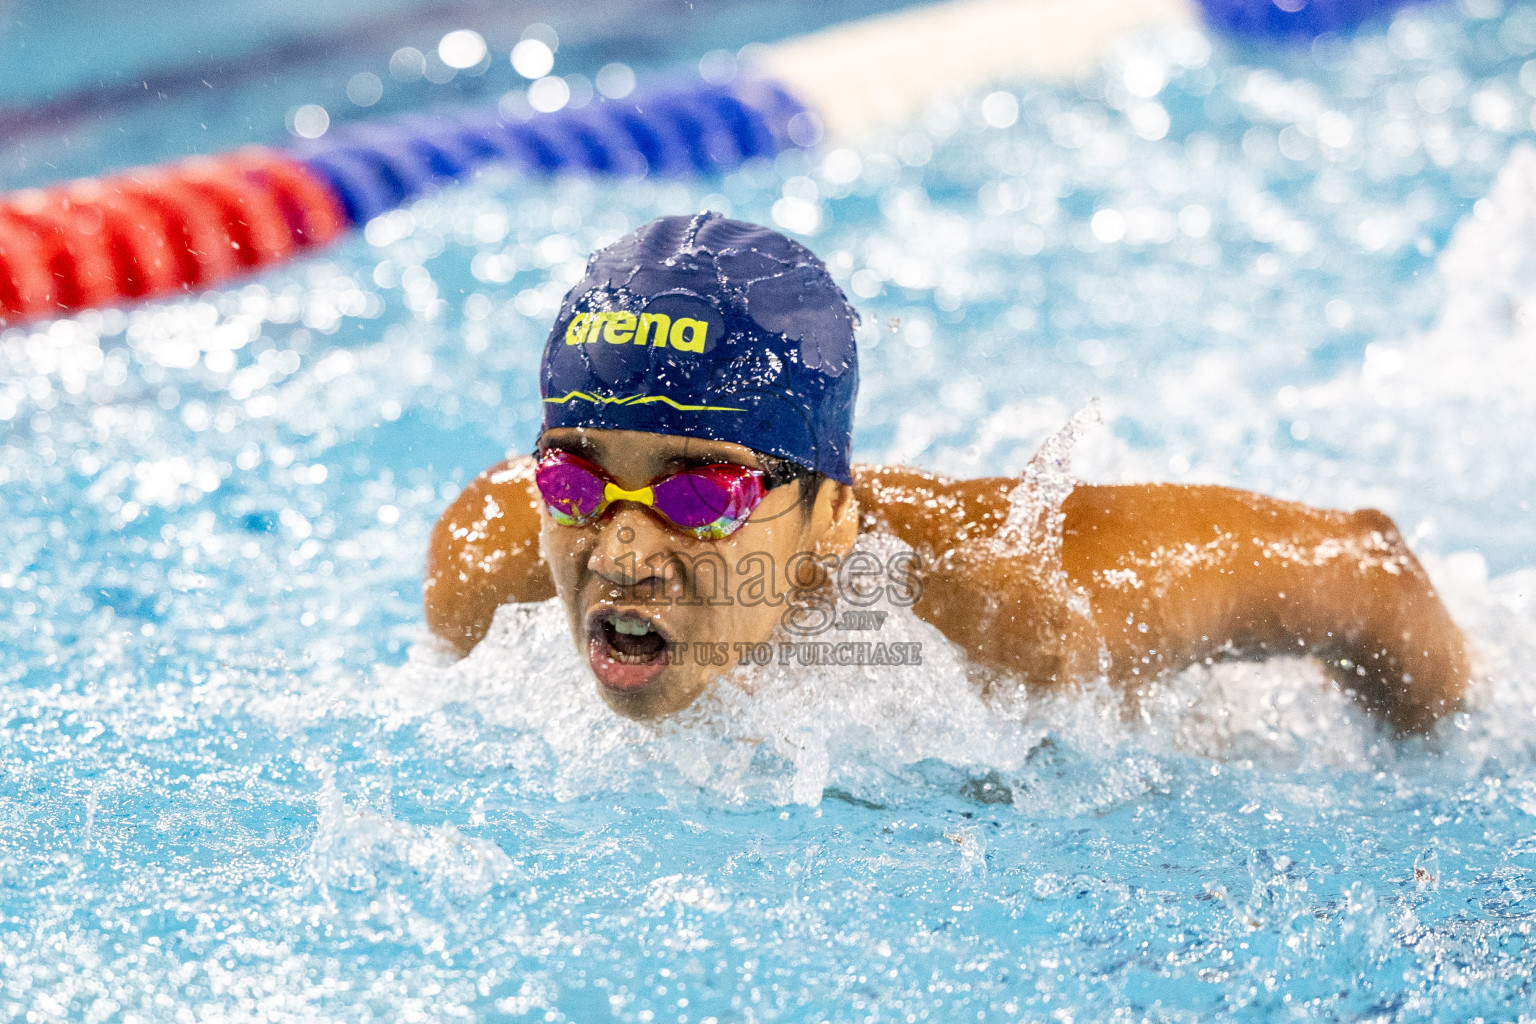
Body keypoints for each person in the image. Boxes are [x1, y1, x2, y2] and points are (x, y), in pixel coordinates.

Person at [424, 213, 1470, 732]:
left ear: (832, 513)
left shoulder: (1018, 608)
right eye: (575, 477)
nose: (620, 553)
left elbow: (1368, 571)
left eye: (701, 491)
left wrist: (1444, 757)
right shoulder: (488, 567)